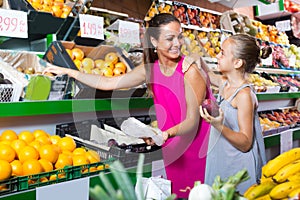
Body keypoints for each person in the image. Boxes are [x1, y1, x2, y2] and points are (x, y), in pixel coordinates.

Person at [43, 13, 214, 198]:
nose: (177, 43)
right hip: (171, 145)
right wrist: (70, 72)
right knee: (177, 192)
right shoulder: (151, 69)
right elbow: (109, 83)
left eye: (179, 36)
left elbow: (192, 121)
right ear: (155, 42)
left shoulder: (190, 71)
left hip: (196, 147)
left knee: (198, 193)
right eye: (170, 38)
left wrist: (166, 134)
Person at [199, 34, 272, 194]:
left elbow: (246, 143)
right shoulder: (226, 84)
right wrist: (196, 59)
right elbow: (209, 76)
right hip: (222, 161)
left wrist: (219, 126)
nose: (217, 55)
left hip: (238, 168)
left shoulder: (244, 95)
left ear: (237, 63)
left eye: (223, 53)